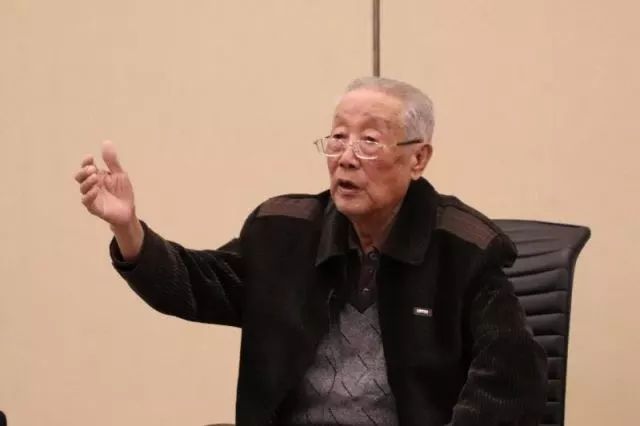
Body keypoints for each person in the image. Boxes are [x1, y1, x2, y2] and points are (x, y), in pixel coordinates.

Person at [74, 77, 547, 426]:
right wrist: (128, 227)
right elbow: (197, 286)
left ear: (418, 158)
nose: (346, 157)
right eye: (338, 137)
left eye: (369, 141)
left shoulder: (464, 248)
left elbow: (510, 382)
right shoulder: (284, 231)